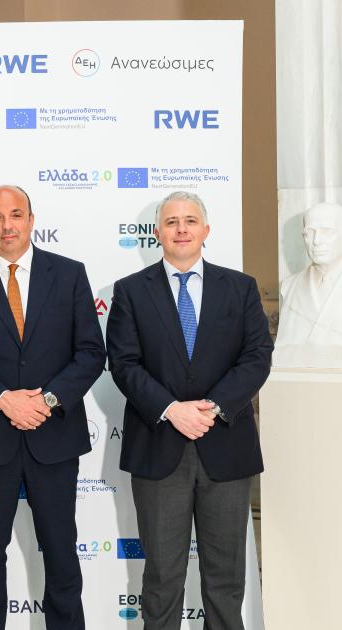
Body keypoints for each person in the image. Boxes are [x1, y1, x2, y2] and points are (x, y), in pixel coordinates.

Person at [0, 185, 104, 630]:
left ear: (31, 220)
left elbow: (91, 352)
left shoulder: (69, 274)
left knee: (62, 557)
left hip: (55, 438)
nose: (7, 225)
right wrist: (3, 399)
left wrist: (47, 400)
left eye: (15, 215)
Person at [107, 190, 272, 629]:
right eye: (172, 222)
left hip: (227, 449)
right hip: (159, 448)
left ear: (206, 230)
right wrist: (171, 409)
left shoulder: (240, 288)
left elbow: (257, 356)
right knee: (162, 580)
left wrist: (213, 407)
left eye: (190, 221)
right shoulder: (130, 292)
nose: (181, 229)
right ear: (158, 232)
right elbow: (124, 363)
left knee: (225, 581)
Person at [274, 201, 342, 366]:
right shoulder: (290, 286)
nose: (316, 241)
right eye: (309, 233)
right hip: (294, 379)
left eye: (327, 231)